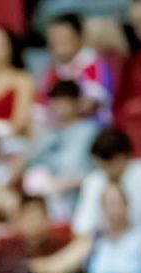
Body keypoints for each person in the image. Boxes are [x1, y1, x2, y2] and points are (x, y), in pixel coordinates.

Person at [21, 80, 101, 224]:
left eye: (65, 100)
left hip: (80, 195)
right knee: (35, 177)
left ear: (77, 102)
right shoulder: (46, 135)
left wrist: (68, 182)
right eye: (56, 101)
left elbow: (98, 172)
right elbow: (27, 164)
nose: (60, 106)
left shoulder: (90, 132)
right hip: (48, 197)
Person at [73, 128, 141, 240]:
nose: (107, 170)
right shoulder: (93, 181)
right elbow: (82, 228)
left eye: (111, 163)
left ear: (126, 156)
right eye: (101, 165)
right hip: (105, 243)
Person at [35, 14, 116, 126]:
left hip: (90, 126)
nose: (58, 45)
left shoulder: (92, 64)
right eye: (54, 40)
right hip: (57, 129)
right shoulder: (52, 71)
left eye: (63, 39)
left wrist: (65, 108)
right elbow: (40, 107)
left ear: (79, 37)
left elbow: (91, 104)